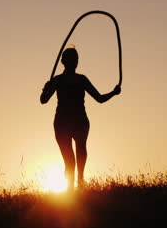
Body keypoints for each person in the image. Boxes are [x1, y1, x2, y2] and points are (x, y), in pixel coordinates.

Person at [40, 46, 121, 191]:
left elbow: (100, 98)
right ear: (64, 61)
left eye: (76, 59)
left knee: (81, 149)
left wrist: (113, 93)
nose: (75, 62)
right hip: (62, 122)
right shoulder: (57, 80)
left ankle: (80, 182)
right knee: (69, 159)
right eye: (72, 59)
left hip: (79, 121)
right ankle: (71, 187)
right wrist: (45, 89)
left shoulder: (80, 79)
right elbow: (43, 100)